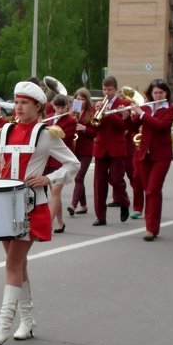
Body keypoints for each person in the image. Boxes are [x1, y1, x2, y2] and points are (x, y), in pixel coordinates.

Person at [0, 81, 79, 345]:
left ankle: (3, 324)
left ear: (38, 107)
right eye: (16, 102)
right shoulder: (4, 131)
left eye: (24, 103)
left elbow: (73, 163)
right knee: (18, 264)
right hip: (3, 208)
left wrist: (49, 178)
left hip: (31, 208)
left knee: (13, 263)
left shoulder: (46, 134)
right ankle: (27, 320)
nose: (18, 108)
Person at [129, 80, 173, 241]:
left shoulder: (171, 109)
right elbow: (132, 125)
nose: (158, 95)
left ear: (166, 94)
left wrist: (142, 114)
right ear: (151, 93)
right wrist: (127, 115)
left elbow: (160, 126)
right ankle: (151, 226)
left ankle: (151, 228)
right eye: (155, 93)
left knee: (152, 190)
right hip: (145, 154)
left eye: (161, 93)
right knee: (148, 189)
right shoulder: (145, 107)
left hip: (161, 155)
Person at [91, 76, 131, 226]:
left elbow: (123, 126)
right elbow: (95, 127)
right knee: (99, 183)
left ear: (116, 89)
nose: (107, 92)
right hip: (101, 147)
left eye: (110, 90)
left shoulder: (123, 104)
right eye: (104, 89)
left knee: (116, 180)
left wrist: (110, 113)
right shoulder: (99, 104)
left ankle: (124, 202)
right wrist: (97, 113)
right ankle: (101, 216)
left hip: (117, 148)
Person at [45, 94, 78, 233]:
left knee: (56, 190)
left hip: (62, 160)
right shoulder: (49, 117)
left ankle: (48, 224)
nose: (59, 110)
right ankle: (60, 222)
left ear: (67, 107)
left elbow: (65, 138)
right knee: (53, 192)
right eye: (57, 107)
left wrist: (50, 132)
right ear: (53, 106)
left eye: (62, 107)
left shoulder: (71, 121)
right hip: (48, 160)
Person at [66, 88, 95, 216]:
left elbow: (95, 133)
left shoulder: (91, 113)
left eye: (83, 99)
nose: (80, 101)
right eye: (77, 99)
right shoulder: (73, 112)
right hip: (75, 148)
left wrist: (84, 129)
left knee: (79, 177)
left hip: (86, 150)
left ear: (87, 100)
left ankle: (73, 204)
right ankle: (83, 206)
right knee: (79, 179)